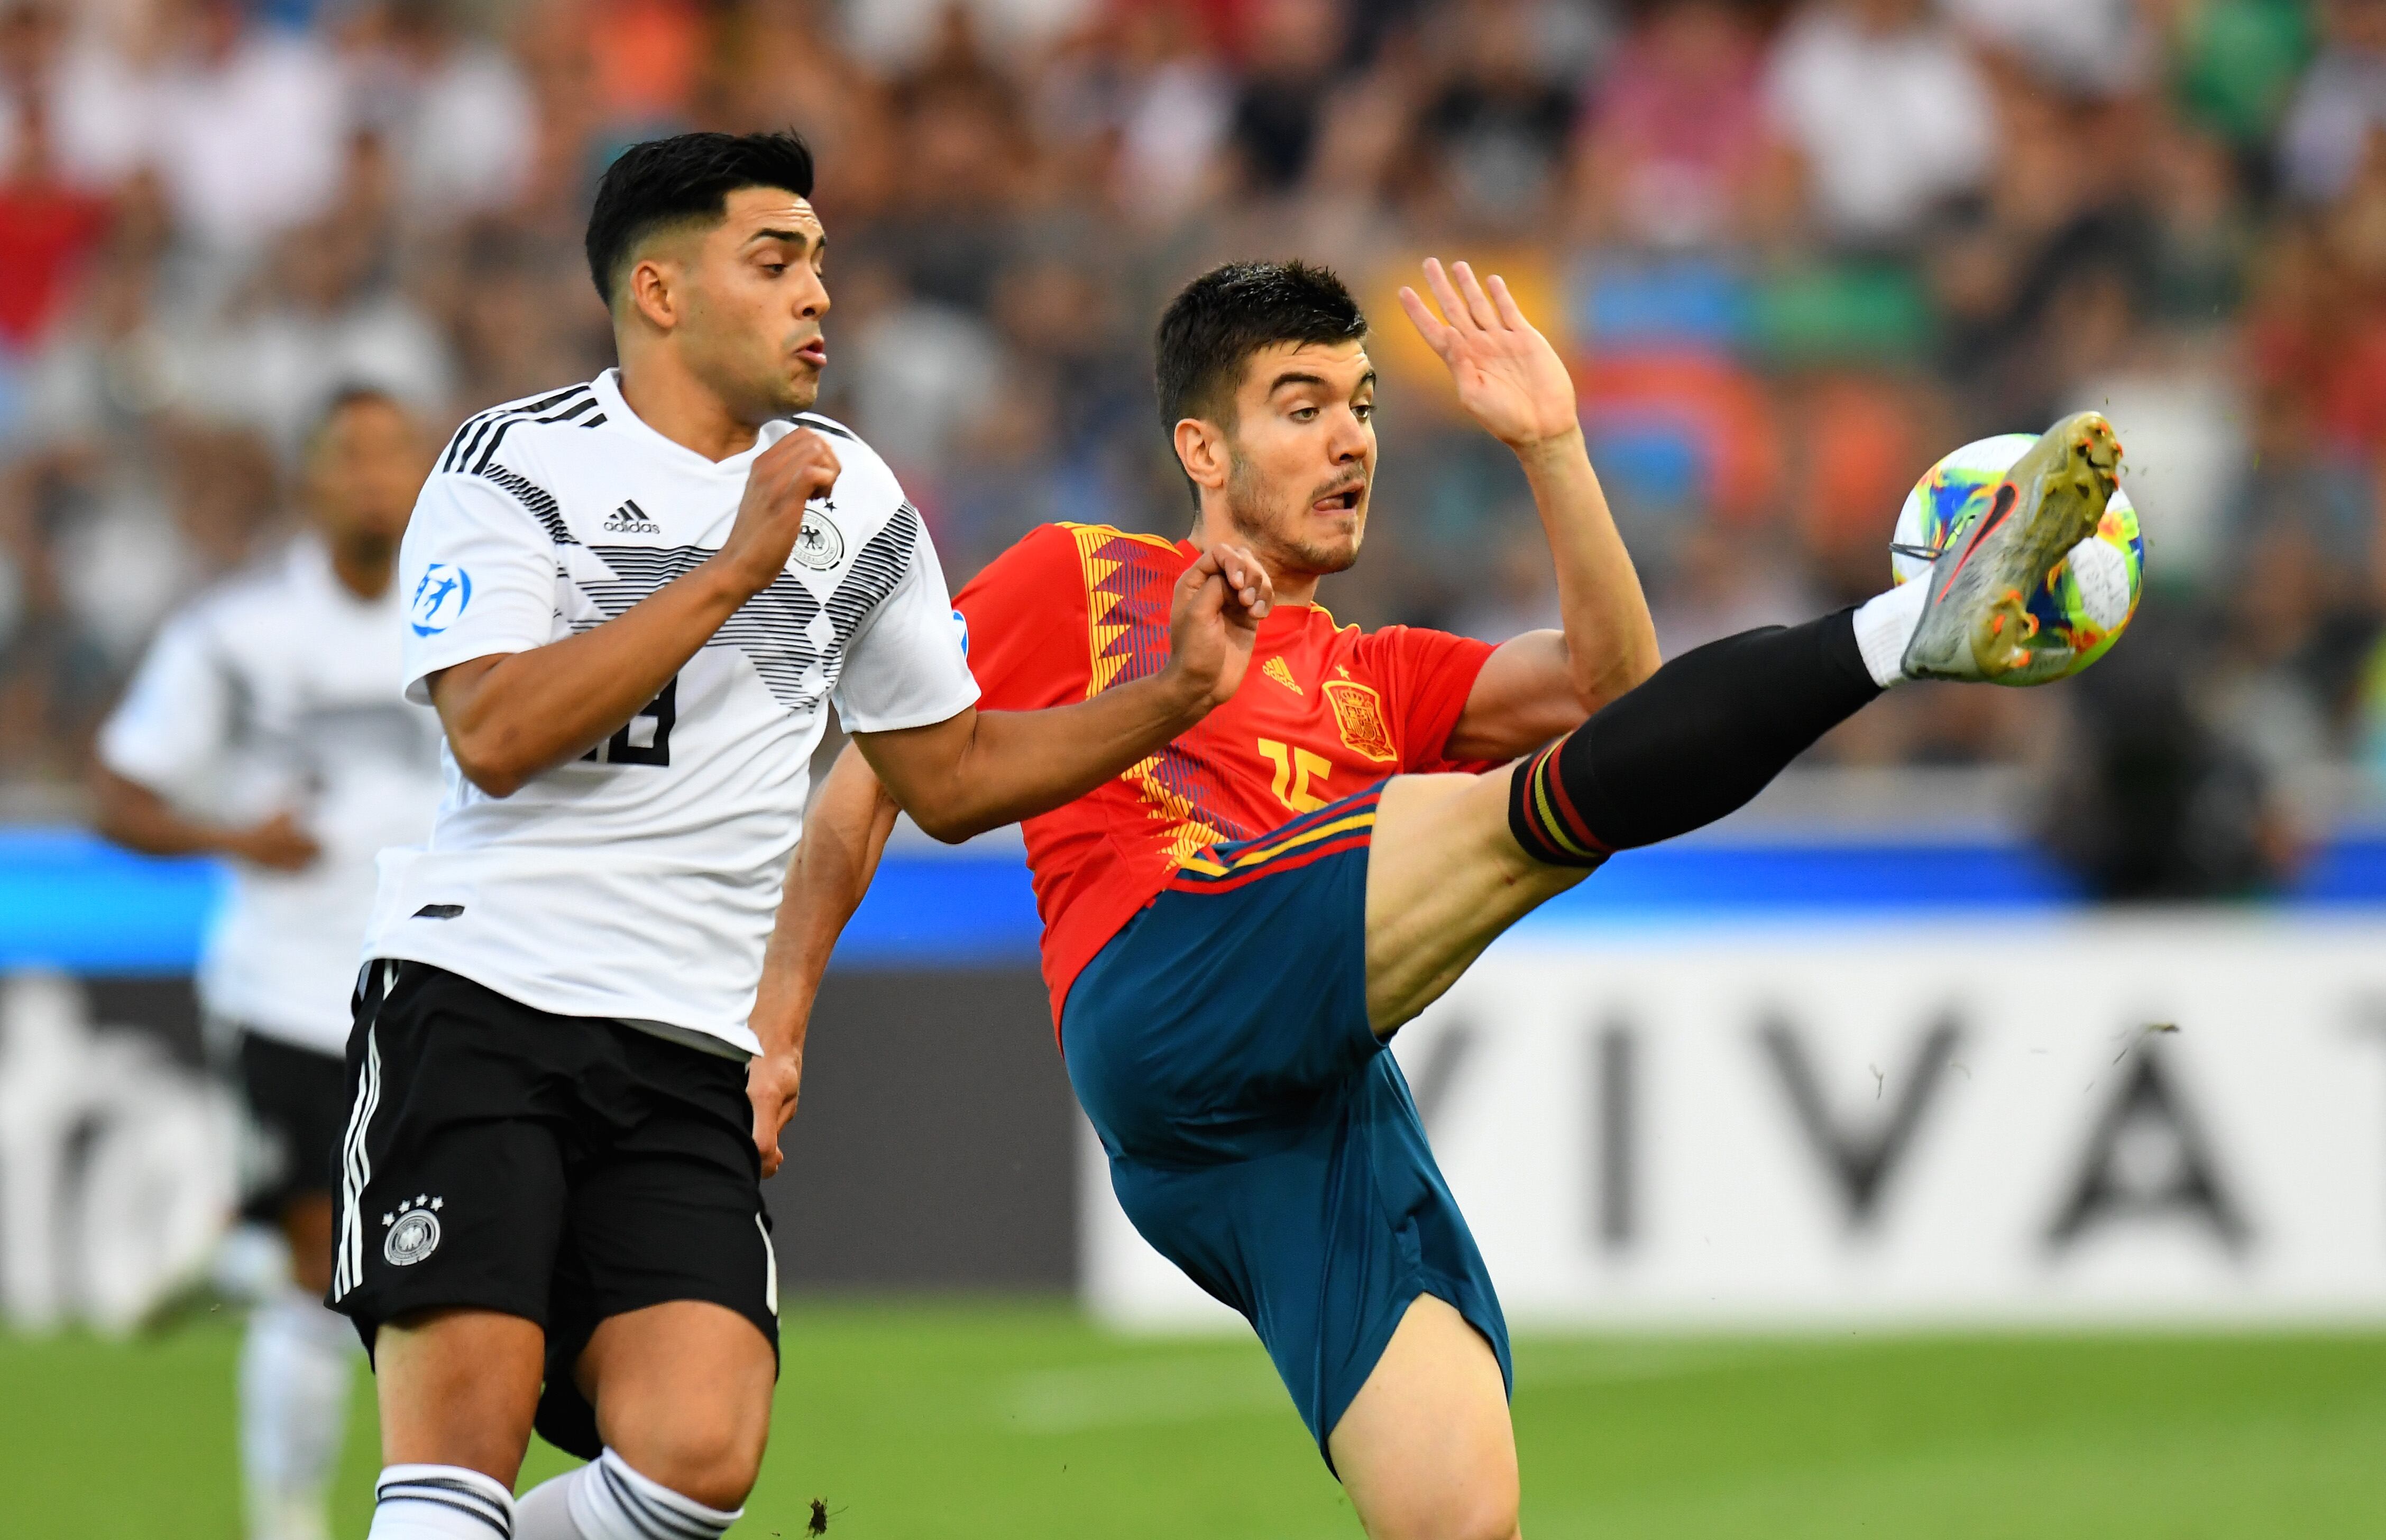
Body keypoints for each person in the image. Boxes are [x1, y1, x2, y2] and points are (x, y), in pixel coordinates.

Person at [772, 258, 2126, 1539]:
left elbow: (1617, 699)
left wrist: (1552, 446)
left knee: (1460, 1509)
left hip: (1289, 1115)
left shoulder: (1382, 672)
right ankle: (1902, 631)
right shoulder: (1081, 576)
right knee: (1509, 823)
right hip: (1166, 985)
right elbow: (867, 789)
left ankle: (1915, 625)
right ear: (1203, 450)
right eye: (1300, 409)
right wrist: (777, 1029)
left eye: (1362, 407)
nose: (1352, 440)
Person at [331, 130, 1274, 1540]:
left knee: (694, 1461)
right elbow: (497, 733)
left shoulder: (853, 495)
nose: (818, 296)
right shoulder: (513, 464)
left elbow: (945, 774)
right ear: (659, 293)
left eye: (821, 263)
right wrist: (731, 570)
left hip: (689, 1045)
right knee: (456, 1462)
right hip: (484, 1004)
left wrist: (1177, 695)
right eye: (775, 263)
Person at [91, 387, 446, 1540]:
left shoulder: (472, 615)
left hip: (433, 981)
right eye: (351, 455)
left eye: (396, 455)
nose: (375, 477)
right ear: (309, 478)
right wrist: (234, 839)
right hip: (287, 987)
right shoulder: (237, 634)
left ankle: (239, 1251)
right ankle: (287, 1517)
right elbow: (120, 791)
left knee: (390, 1260)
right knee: (319, 1258)